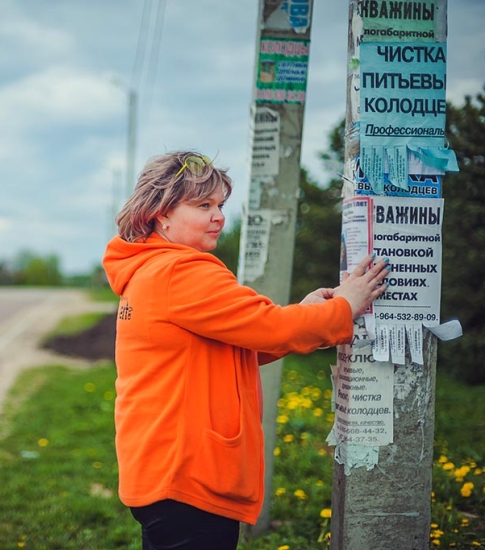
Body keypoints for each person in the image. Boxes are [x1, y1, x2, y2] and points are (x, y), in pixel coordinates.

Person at [101, 151, 390, 550]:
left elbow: (236, 344)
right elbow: (271, 329)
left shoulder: (149, 270)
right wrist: (345, 306)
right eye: (203, 205)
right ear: (160, 214)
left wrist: (310, 313)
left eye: (219, 204)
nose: (218, 215)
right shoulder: (182, 271)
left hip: (161, 468)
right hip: (188, 474)